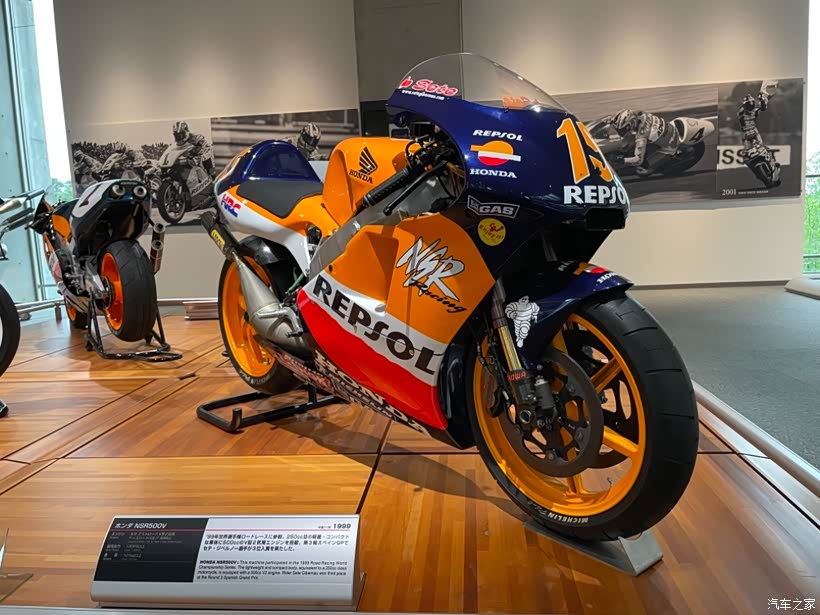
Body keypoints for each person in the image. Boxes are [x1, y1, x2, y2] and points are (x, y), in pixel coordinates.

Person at [610, 109, 681, 172]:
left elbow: (638, 160)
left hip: (670, 146)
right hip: (669, 128)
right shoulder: (638, 113)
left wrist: (622, 160)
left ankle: (651, 168)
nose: (620, 132)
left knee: (643, 170)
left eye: (622, 130)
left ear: (631, 124)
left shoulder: (642, 135)